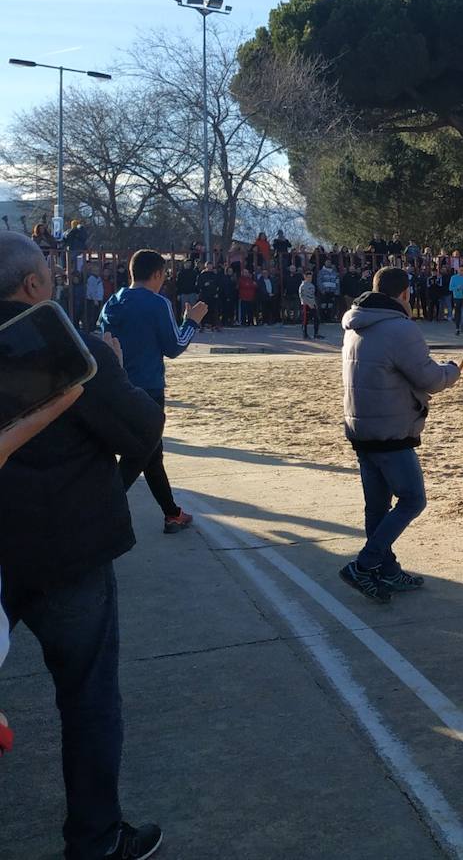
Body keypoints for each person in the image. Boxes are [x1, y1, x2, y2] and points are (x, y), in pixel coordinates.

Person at [0, 232, 167, 858]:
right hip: (65, 549)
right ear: (34, 285)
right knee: (88, 695)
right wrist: (112, 364)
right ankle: (95, 838)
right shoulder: (64, 347)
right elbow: (143, 427)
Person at [339, 267, 460, 603]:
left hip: (360, 427)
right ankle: (363, 566)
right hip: (390, 431)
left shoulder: (354, 323)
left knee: (376, 507)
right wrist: (452, 371)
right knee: (412, 500)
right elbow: (429, 378)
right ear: (405, 294)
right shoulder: (398, 327)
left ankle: (386, 570)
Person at [98, 249, 207, 534]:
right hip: (149, 388)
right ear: (158, 274)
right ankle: (102, 505)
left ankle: (172, 513)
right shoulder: (157, 303)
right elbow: (174, 346)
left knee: (151, 453)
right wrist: (193, 320)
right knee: (142, 453)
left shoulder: (114, 301)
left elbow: (104, 340)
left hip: (120, 385)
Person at [299, 269, 322, 340]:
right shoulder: (302, 286)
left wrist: (314, 304)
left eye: (311, 277)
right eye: (308, 277)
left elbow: (313, 296)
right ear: (305, 277)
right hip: (305, 305)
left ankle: (316, 334)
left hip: (313, 304)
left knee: (317, 319)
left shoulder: (312, 285)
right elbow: (302, 296)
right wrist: (308, 304)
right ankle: (305, 334)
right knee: (305, 320)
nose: (310, 279)